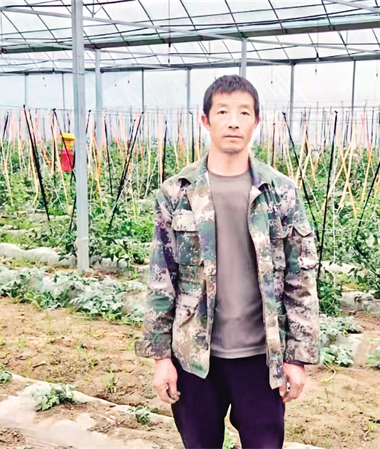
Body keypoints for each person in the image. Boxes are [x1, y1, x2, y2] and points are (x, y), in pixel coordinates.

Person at [136, 75, 320, 449]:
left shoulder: (279, 192)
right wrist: (160, 358)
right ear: (205, 120)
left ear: (256, 121)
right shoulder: (178, 192)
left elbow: (300, 277)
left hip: (260, 356)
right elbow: (161, 276)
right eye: (222, 112)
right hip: (194, 356)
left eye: (243, 112)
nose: (233, 121)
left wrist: (298, 358)